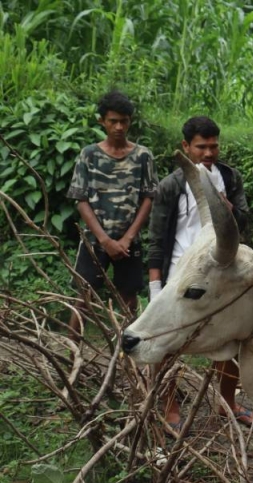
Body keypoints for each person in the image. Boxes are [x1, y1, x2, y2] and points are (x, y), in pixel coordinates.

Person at [148, 116, 253, 431]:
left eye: (214, 145)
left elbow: (244, 221)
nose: (209, 153)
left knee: (232, 339)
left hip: (223, 275)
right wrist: (156, 287)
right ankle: (169, 407)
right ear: (186, 147)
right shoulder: (171, 186)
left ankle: (226, 402)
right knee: (168, 344)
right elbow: (157, 239)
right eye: (201, 147)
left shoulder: (230, 178)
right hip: (181, 276)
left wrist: (226, 206)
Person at [68, 90, 156, 339]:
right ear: (102, 121)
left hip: (130, 242)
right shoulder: (89, 155)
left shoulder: (142, 156)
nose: (119, 127)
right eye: (113, 121)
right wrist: (105, 240)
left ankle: (129, 353)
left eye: (124, 121)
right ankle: (70, 353)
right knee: (83, 296)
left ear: (130, 121)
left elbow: (148, 198)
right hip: (95, 240)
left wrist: (128, 238)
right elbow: (81, 200)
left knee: (129, 297)